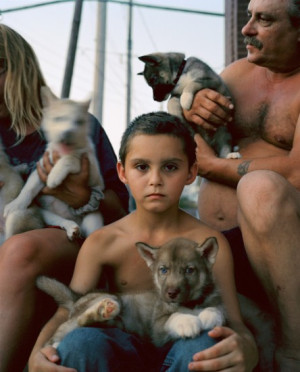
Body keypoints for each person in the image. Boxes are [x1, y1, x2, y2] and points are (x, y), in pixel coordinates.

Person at [29, 111, 258, 372]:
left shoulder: (205, 243)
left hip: (183, 352)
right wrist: (37, 354)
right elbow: (68, 308)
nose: (155, 180)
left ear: (191, 172)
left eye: (170, 167)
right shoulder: (104, 241)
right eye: (142, 167)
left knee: (208, 343)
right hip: (121, 349)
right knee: (80, 343)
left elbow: (233, 319)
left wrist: (248, 348)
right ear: (122, 172)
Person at [0, 24, 129, 371]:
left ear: (18, 69)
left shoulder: (73, 122)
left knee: (18, 249)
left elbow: (123, 215)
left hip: (74, 238)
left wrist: (81, 195)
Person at [183, 0, 300, 369]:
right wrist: (190, 104)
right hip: (220, 244)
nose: (246, 29)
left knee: (259, 187)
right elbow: (182, 137)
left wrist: (214, 166)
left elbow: (297, 172)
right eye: (248, 15)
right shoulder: (234, 74)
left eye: (263, 19)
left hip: (285, 246)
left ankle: (294, 352)